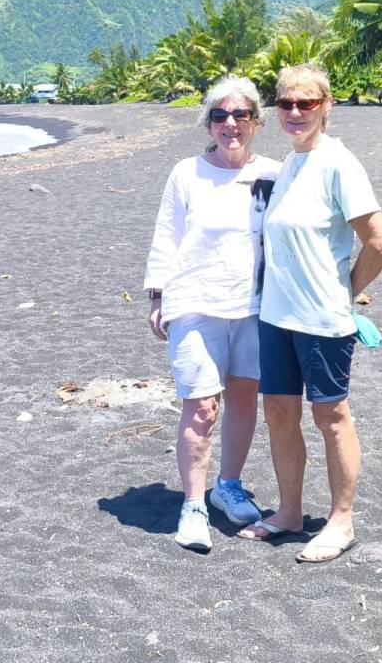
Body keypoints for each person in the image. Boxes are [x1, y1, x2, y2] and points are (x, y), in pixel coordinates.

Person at [238, 63, 382, 563]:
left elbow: (379, 243)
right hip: (277, 317)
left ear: (327, 106)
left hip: (323, 319)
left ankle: (341, 521)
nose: (295, 112)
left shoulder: (337, 163)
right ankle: (288, 512)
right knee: (279, 413)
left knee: (331, 416)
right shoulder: (290, 164)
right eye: (285, 103)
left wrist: (344, 292)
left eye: (307, 102)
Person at [144, 76, 281, 552]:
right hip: (196, 304)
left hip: (255, 308)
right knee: (202, 406)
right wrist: (158, 297)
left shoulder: (274, 173)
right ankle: (194, 505)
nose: (230, 124)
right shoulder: (186, 173)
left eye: (240, 115)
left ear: (257, 122)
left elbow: (289, 238)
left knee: (245, 398)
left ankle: (229, 484)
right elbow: (167, 234)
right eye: (220, 115)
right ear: (208, 123)